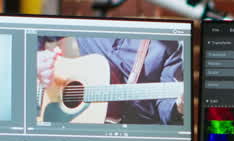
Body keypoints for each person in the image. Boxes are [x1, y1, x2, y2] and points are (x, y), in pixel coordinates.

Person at [37, 36, 184, 124]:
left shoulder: (168, 47)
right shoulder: (92, 26)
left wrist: (178, 106)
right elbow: (37, 32)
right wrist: (34, 60)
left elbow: (165, 110)